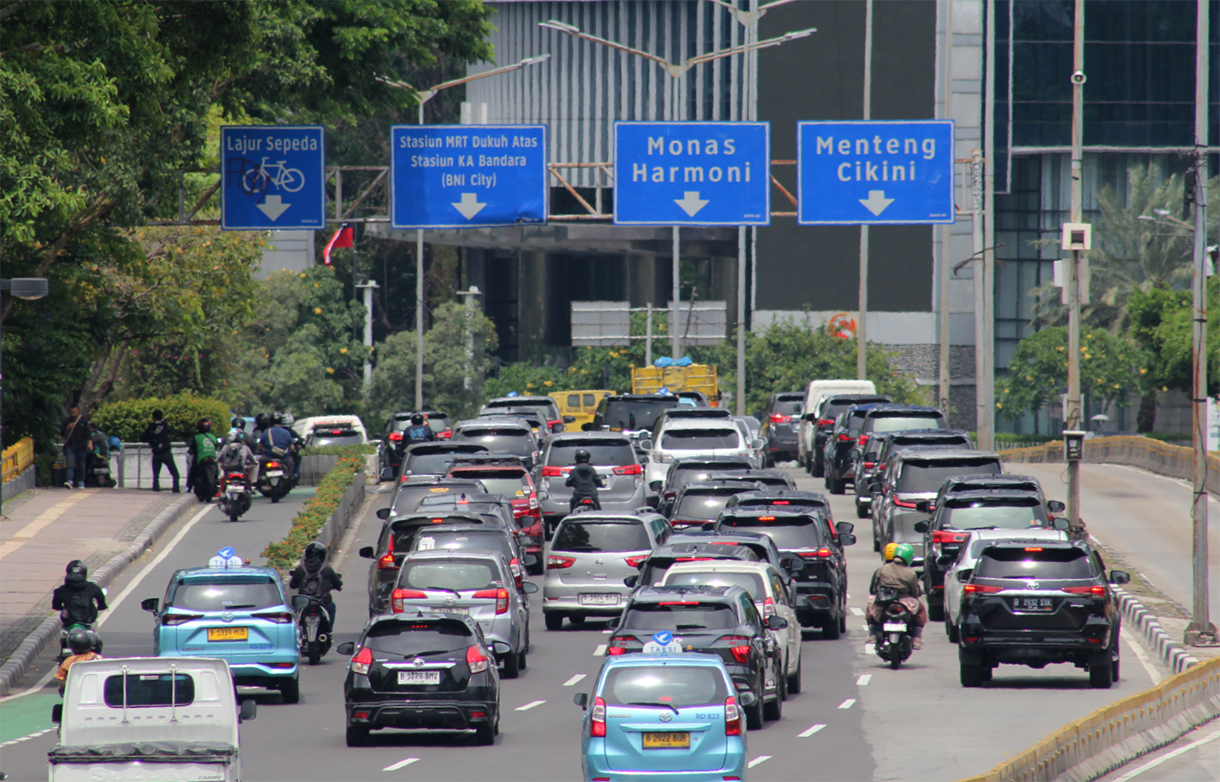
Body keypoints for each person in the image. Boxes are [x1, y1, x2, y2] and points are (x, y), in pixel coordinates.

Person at [866, 543, 927, 649]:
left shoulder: (882, 569)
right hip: (905, 600)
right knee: (921, 610)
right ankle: (917, 637)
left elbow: (874, 588)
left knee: (870, 606)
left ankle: (872, 634)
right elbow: (914, 593)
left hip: (884, 600)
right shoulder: (911, 573)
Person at [289, 542, 343, 629]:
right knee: (332, 607)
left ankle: (296, 632)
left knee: (293, 610)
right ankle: (328, 631)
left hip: (304, 603)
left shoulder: (300, 569)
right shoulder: (327, 570)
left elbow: (292, 585)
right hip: (322, 602)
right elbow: (338, 583)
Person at [52, 560, 107, 629]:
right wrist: (102, 606)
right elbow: (101, 598)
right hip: (88, 621)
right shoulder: (91, 587)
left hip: (69, 622)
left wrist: (60, 607)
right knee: (94, 629)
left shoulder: (62, 589)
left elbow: (55, 605)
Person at [142, 409, 180, 493]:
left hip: (156, 453)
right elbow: (170, 431)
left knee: (156, 475)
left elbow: (144, 437)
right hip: (166, 452)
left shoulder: (151, 426)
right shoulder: (165, 425)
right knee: (175, 473)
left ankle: (156, 489)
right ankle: (176, 489)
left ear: (153, 417)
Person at [55, 629, 101, 695]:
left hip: (74, 689)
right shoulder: (96, 657)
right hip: (94, 686)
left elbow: (60, 676)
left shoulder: (69, 660)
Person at [187, 419, 221, 500]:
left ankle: (189, 486)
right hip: (212, 461)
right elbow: (217, 447)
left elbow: (192, 450)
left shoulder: (196, 437)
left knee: (193, 471)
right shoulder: (213, 437)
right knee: (217, 475)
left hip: (202, 462)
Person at [60, 406, 91, 489]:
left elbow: (88, 432)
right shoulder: (66, 421)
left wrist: (90, 443)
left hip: (81, 446)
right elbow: (62, 433)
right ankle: (69, 481)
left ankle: (81, 482)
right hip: (70, 445)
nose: (74, 414)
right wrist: (67, 428)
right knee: (70, 464)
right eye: (72, 412)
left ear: (78, 411)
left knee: (81, 465)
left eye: (75, 412)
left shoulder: (83, 420)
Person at [261, 413, 297, 485]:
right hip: (284, 458)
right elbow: (292, 448)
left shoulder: (266, 432)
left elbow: (260, 446)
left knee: (261, 462)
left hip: (268, 457)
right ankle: (289, 479)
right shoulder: (286, 432)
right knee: (291, 462)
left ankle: (261, 477)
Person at [565, 448, 601, 513]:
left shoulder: (575, 470)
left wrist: (572, 484)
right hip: (592, 495)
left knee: (572, 503)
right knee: (598, 509)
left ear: (576, 459)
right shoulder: (592, 469)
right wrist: (601, 484)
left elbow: (568, 482)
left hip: (579, 495)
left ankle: (571, 518)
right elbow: (598, 480)